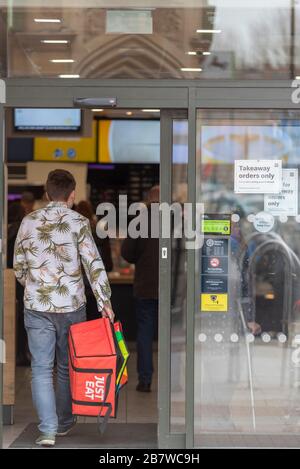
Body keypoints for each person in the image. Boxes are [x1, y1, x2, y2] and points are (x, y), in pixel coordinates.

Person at [13, 169, 114, 447]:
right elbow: (93, 264)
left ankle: (47, 429)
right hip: (71, 306)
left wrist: (34, 287)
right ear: (72, 195)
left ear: (46, 193)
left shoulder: (29, 222)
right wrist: (104, 302)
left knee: (41, 369)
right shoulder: (79, 222)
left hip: (36, 305)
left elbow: (19, 267)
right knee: (66, 366)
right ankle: (65, 421)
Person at [121, 186, 159, 392]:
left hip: (145, 286)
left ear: (148, 200)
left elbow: (127, 252)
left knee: (145, 333)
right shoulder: (177, 222)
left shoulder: (140, 221)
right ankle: (177, 382)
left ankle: (145, 380)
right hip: (170, 288)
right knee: (175, 335)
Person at [76, 200, 113, 320]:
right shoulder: (100, 232)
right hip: (94, 287)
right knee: (95, 324)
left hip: (78, 287)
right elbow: (107, 261)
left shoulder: (73, 230)